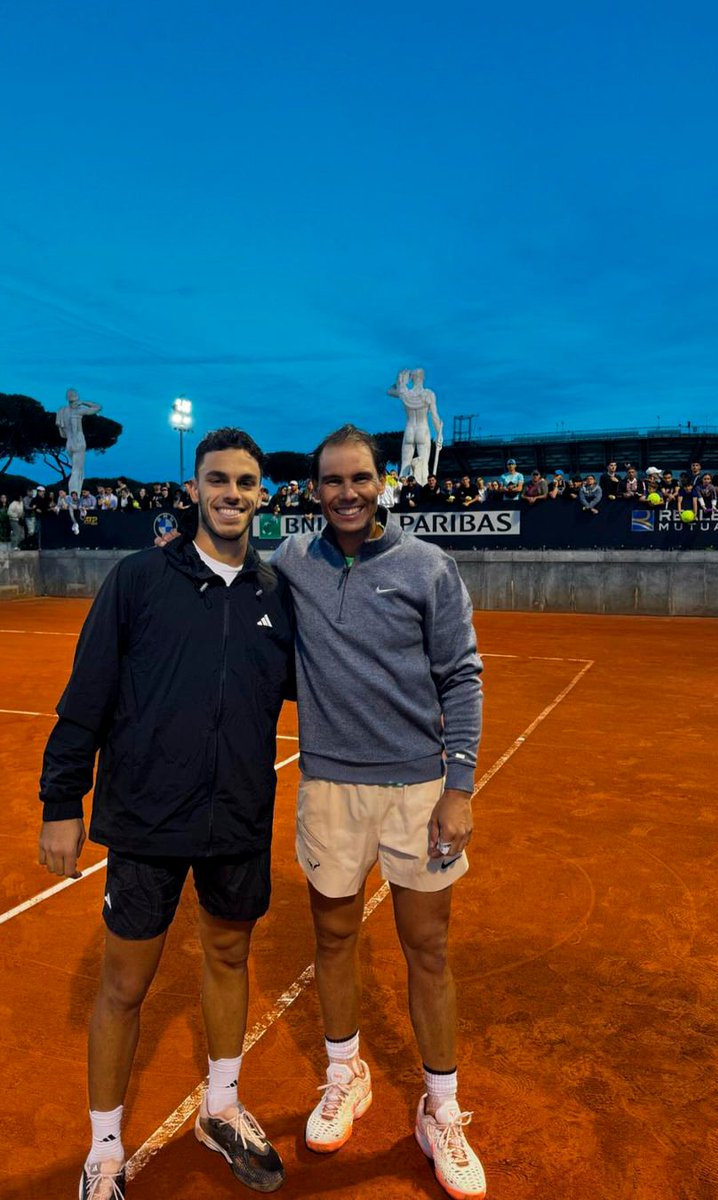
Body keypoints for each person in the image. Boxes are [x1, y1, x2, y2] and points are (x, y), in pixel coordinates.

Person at [39, 428, 295, 1200]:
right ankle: (104, 1150)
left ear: (263, 496)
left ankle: (219, 1105)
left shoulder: (276, 594)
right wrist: (61, 801)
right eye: (218, 479)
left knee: (227, 956)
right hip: (147, 817)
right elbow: (87, 695)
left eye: (246, 483)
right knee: (124, 984)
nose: (231, 494)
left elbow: (327, 691)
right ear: (193, 489)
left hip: (239, 815)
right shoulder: (138, 580)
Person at [271, 424, 486, 1200]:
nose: (348, 493)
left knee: (427, 951)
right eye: (332, 481)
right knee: (332, 938)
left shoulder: (428, 566)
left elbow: (462, 676)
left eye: (360, 478)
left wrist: (458, 786)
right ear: (314, 490)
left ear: (382, 480)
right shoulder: (292, 562)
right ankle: (345, 1074)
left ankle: (443, 1109)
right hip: (328, 787)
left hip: (417, 795)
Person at [389, 368, 443, 481]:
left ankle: (400, 489)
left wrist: (401, 382)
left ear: (412, 378)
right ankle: (422, 489)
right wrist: (439, 433)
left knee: (404, 465)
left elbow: (390, 391)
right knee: (423, 465)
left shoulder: (405, 393)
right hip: (422, 430)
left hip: (409, 429)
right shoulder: (428, 394)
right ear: (423, 378)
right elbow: (434, 416)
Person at [56, 387, 102, 498]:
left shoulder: (61, 411)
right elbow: (98, 407)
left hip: (69, 444)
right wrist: (84, 402)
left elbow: (62, 434)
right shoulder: (79, 410)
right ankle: (74, 496)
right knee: (77, 471)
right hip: (78, 442)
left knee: (76, 470)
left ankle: (75, 493)